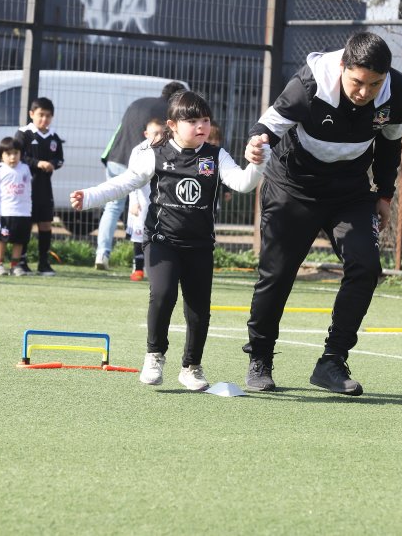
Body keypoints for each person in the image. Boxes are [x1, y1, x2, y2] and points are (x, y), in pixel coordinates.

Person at [241, 31, 402, 396]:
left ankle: (332, 361)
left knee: (365, 266)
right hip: (293, 187)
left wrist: (384, 193)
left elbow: (390, 144)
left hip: (349, 191)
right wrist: (256, 145)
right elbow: (267, 127)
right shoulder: (309, 83)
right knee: (278, 273)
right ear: (342, 67)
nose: (364, 92)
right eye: (357, 82)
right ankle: (260, 358)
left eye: (374, 83)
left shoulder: (395, 91)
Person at [70, 91, 270, 391]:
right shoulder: (155, 154)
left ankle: (191, 367)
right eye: (192, 121)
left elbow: (244, 184)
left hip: (200, 245)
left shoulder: (215, 156)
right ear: (172, 125)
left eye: (205, 120)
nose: (201, 126)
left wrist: (258, 163)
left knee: (199, 309)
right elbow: (124, 183)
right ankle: (154, 355)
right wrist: (89, 197)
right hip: (161, 240)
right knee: (163, 294)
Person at [94, 81, 187, 270]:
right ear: (177, 98)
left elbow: (118, 133)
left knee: (112, 208)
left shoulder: (137, 102)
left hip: (116, 158)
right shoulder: (170, 113)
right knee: (150, 209)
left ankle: (102, 254)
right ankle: (146, 260)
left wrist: (107, 157)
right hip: (140, 162)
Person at [14, 97, 65, 276]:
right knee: (26, 223)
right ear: (31, 114)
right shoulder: (23, 134)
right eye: (40, 115)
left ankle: (43, 262)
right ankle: (21, 261)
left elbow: (60, 159)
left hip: (44, 187)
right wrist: (38, 163)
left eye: (48, 116)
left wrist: (53, 164)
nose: (44, 119)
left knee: (45, 223)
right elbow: (18, 157)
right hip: (26, 186)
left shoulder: (53, 137)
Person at [125, 118, 165, 281]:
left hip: (161, 200)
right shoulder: (138, 151)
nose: (159, 136)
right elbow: (130, 178)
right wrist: (133, 201)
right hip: (141, 200)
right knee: (139, 233)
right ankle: (138, 268)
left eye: (162, 133)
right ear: (146, 134)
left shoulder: (168, 149)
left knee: (160, 234)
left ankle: (157, 268)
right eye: (155, 133)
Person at [0, 137, 33, 277]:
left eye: (16, 153)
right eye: (8, 154)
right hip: (5, 213)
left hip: (23, 213)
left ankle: (15, 266)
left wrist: (28, 210)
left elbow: (28, 190)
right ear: (1, 155)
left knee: (19, 240)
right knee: (2, 240)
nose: (13, 157)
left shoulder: (25, 169)